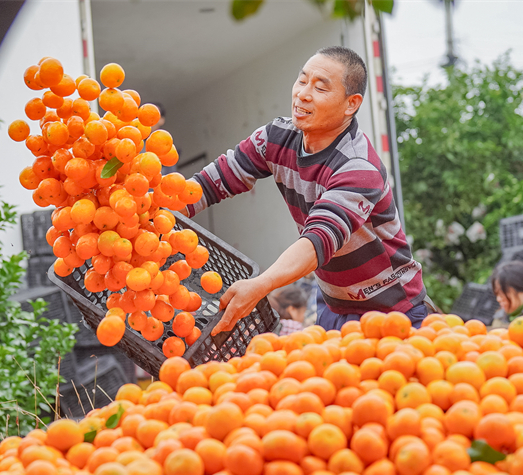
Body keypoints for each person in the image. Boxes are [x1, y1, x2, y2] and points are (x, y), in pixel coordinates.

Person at [183, 46, 427, 334]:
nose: (303, 94)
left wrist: (261, 285)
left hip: (393, 310)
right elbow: (209, 184)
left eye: (320, 88)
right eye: (302, 80)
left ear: (351, 104)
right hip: (333, 306)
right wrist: (151, 211)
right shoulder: (275, 138)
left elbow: (318, 241)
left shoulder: (358, 167)